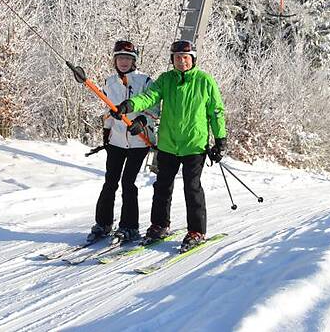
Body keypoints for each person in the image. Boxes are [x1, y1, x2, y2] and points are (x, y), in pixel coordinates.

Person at [111, 39, 226, 252]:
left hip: (194, 145)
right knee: (162, 187)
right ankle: (159, 225)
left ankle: (196, 230)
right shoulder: (165, 80)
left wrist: (220, 140)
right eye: (177, 58)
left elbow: (216, 111)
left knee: (192, 188)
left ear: (193, 59)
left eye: (185, 58)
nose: (181, 62)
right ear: (172, 60)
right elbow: (148, 97)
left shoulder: (204, 81)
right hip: (168, 144)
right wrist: (129, 105)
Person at [87, 40, 158, 244]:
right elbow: (108, 110)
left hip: (139, 141)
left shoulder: (145, 82)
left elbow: (155, 109)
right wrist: (106, 131)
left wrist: (142, 121)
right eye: (120, 58)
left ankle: (129, 226)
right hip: (117, 140)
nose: (124, 62)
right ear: (115, 60)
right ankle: (103, 223)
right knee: (110, 181)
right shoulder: (109, 82)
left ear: (134, 61)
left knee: (128, 182)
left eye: (128, 58)